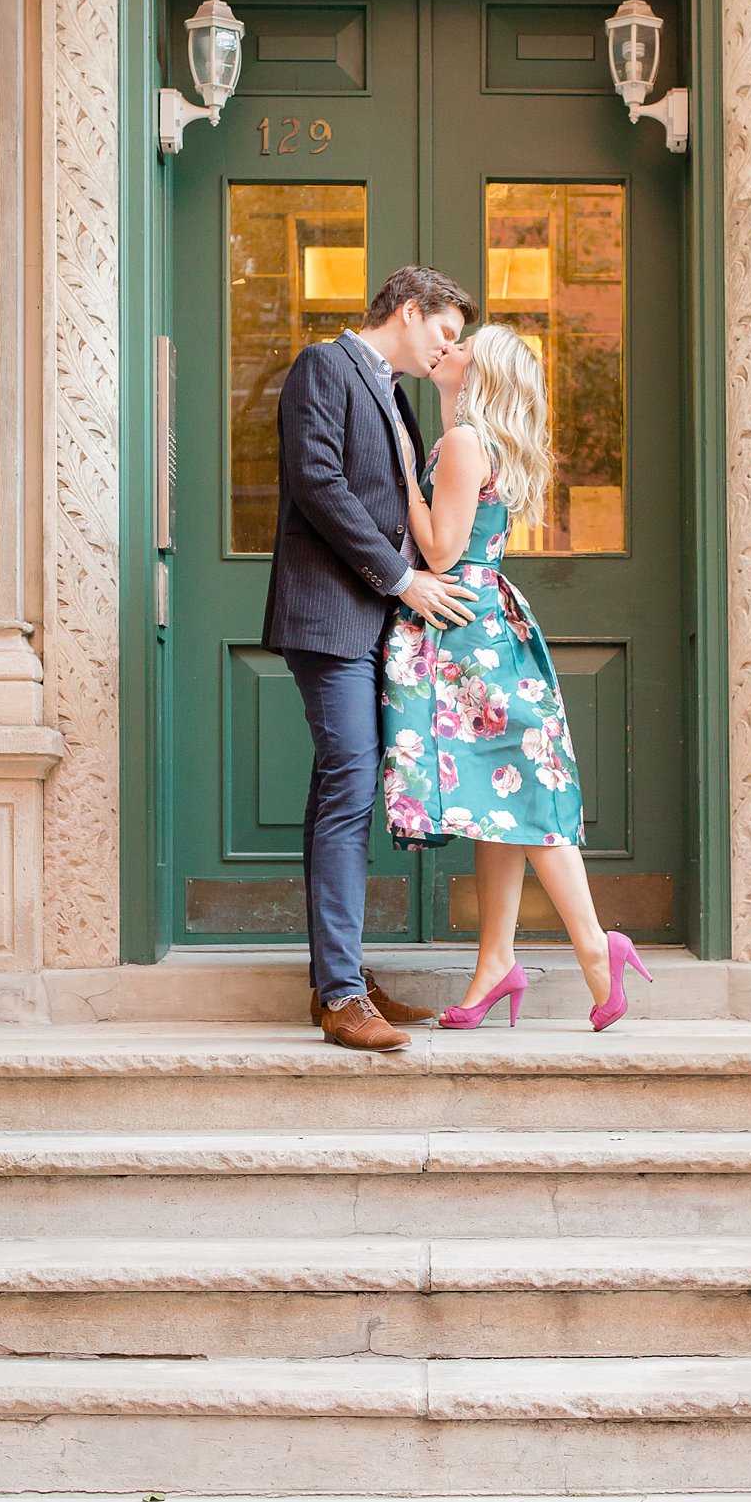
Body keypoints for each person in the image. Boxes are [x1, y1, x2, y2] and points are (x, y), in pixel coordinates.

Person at [382, 323, 652, 1032]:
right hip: (480, 627)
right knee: (497, 801)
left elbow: (439, 552)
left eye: (465, 342)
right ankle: (495, 960)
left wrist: (407, 475)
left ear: (483, 371)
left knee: (526, 793)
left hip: (466, 632)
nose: (451, 345)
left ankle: (597, 949)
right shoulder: (472, 439)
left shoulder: (467, 442)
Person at [262, 265, 481, 1052]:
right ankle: (343, 994)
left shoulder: (395, 392)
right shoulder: (325, 365)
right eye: (444, 333)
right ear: (409, 309)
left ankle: (339, 978)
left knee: (346, 789)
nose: (446, 348)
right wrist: (402, 581)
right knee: (349, 783)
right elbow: (317, 483)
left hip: (369, 623)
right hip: (326, 616)